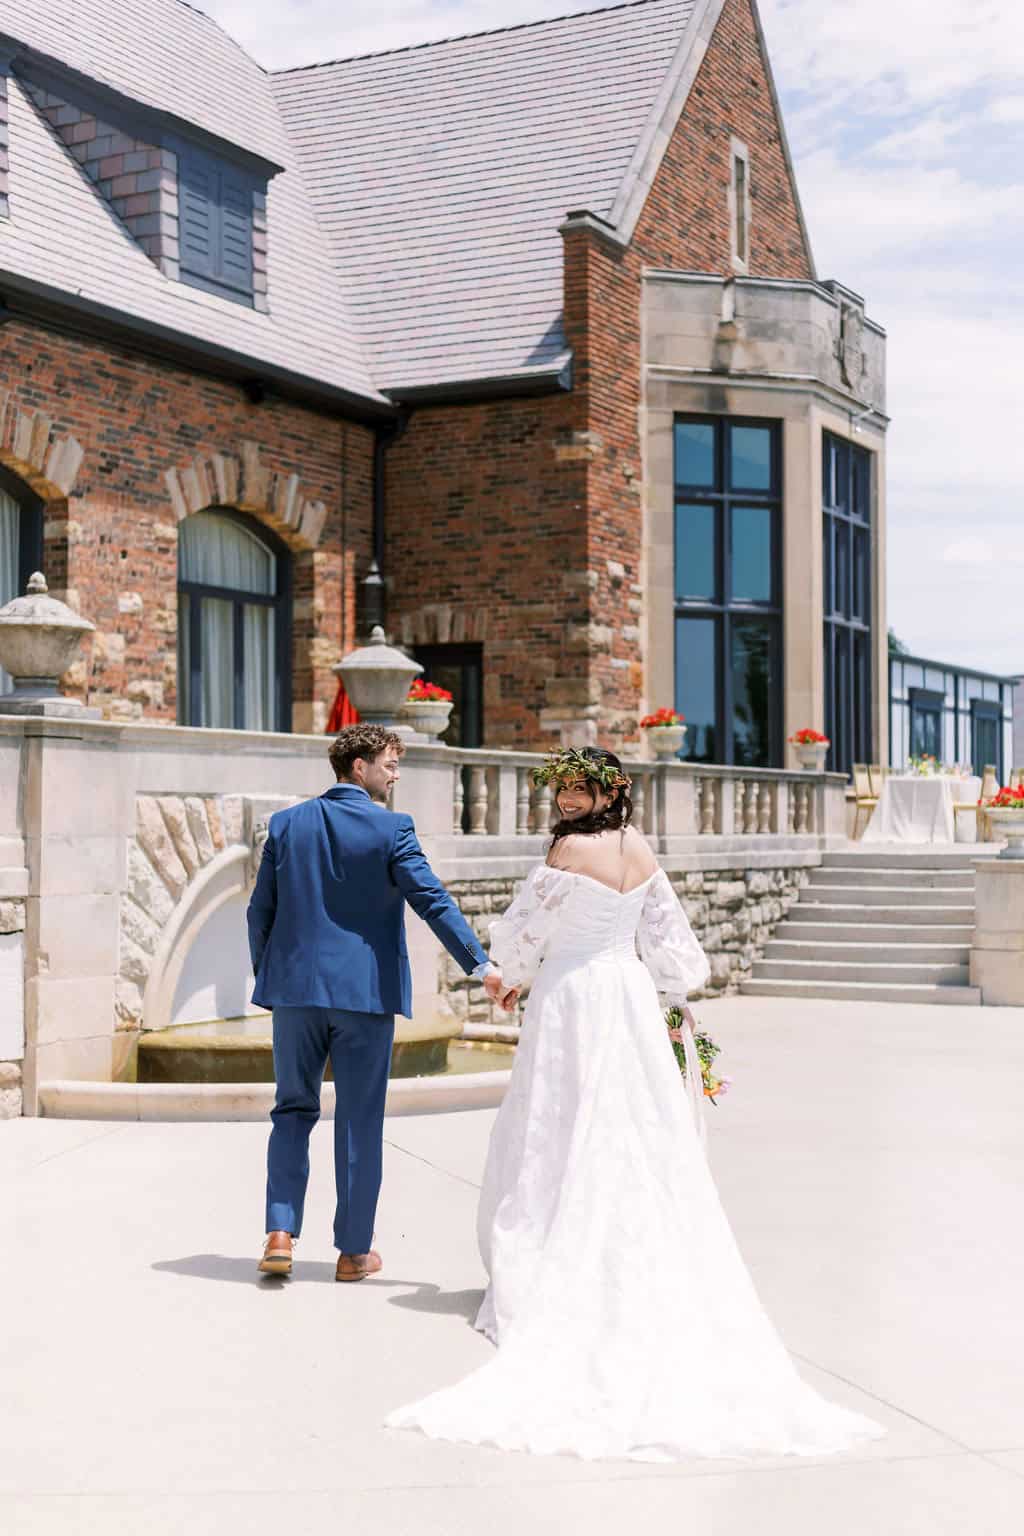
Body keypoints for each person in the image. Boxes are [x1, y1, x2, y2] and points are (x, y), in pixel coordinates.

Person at [386, 746, 887, 1460]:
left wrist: (506, 977)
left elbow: (524, 937)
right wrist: (657, 991)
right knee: (629, 1129)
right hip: (625, 996)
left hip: (570, 1000)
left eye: (577, 789)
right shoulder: (639, 848)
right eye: (560, 790)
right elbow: (679, 957)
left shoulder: (564, 851)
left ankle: (550, 1260)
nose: (564, 800)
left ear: (604, 791)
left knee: (557, 1126)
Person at [247, 724, 513, 1282]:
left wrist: (273, 977)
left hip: (296, 993)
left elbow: (259, 914)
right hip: (364, 998)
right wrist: (480, 965)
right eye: (389, 763)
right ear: (358, 766)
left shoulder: (287, 824)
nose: (394, 774)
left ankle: (279, 1231)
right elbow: (432, 900)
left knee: (291, 1110)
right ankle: (352, 1253)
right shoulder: (393, 829)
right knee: (359, 1121)